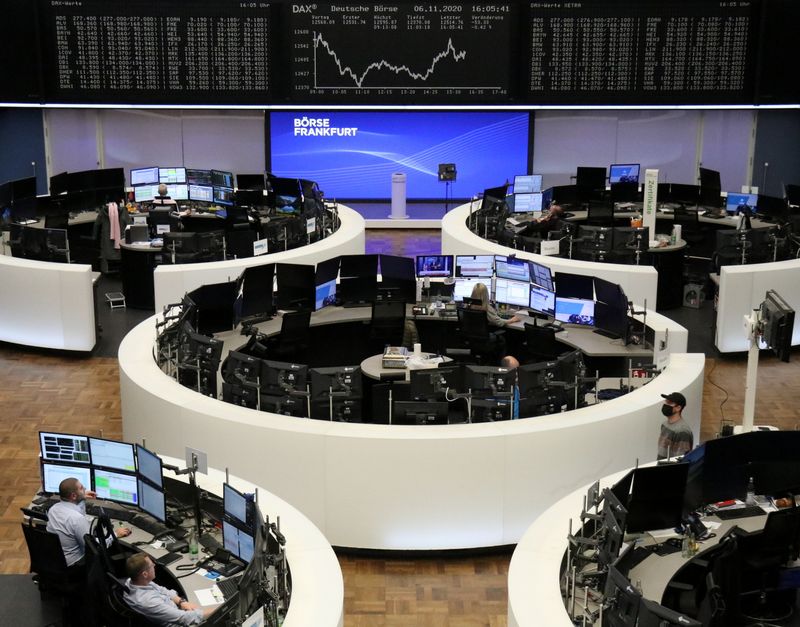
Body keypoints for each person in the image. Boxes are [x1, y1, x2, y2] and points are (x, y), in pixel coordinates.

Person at [46, 477, 131, 568]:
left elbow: (77, 511)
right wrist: (115, 534)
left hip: (56, 560)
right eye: (81, 488)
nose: (85, 489)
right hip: (76, 565)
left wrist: (81, 497)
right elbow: (95, 546)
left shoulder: (53, 509)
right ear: (73, 496)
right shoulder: (76, 519)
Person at [123, 554, 214, 626]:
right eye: (152, 565)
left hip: (176, 608)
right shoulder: (148, 601)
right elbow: (184, 618)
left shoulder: (134, 581)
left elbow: (162, 590)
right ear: (145, 574)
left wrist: (181, 602)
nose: (154, 566)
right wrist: (217, 610)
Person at [657, 392, 694, 460]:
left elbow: (680, 461)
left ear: (678, 408)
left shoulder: (682, 431)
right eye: (666, 401)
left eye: (669, 403)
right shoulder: (664, 424)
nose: (665, 404)